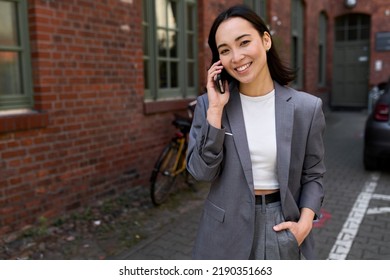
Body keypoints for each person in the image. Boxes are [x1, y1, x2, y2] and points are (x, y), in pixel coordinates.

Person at [186, 5, 326, 260]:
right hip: (223, 229)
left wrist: (304, 224)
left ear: (265, 40)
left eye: (244, 42)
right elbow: (201, 173)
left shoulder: (306, 108)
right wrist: (215, 112)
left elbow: (313, 174)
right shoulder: (210, 105)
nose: (236, 57)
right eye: (225, 50)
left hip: (280, 224)